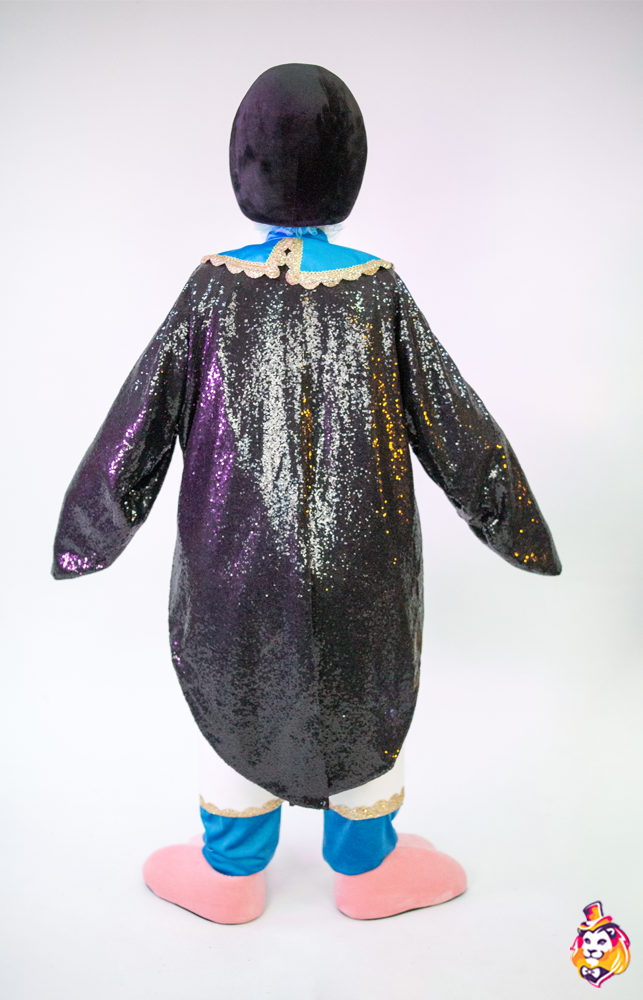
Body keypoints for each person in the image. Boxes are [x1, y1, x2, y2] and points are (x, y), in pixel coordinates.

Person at [53, 63, 561, 923]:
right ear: (348, 170)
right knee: (364, 698)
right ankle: (367, 866)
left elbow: (139, 416)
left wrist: (88, 532)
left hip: (234, 566)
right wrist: (515, 523)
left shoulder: (211, 291)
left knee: (238, 690)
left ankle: (230, 869)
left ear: (241, 166)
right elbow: (452, 420)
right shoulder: (376, 289)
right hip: (363, 561)